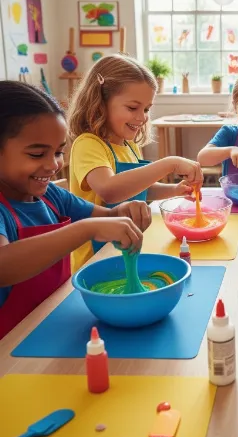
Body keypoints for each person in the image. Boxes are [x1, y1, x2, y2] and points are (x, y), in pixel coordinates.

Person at [0, 81, 151, 339]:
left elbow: (107, 219)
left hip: (54, 323)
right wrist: (84, 229)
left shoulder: (51, 196)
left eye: (58, 152)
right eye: (37, 154)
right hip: (12, 348)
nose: (53, 165)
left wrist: (126, 212)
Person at [68, 54, 203, 270]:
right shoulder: (88, 144)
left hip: (126, 249)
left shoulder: (128, 145)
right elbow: (110, 190)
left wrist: (176, 190)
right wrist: (169, 163)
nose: (142, 117)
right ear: (100, 103)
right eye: (132, 108)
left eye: (147, 109)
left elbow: (139, 190)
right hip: (95, 260)